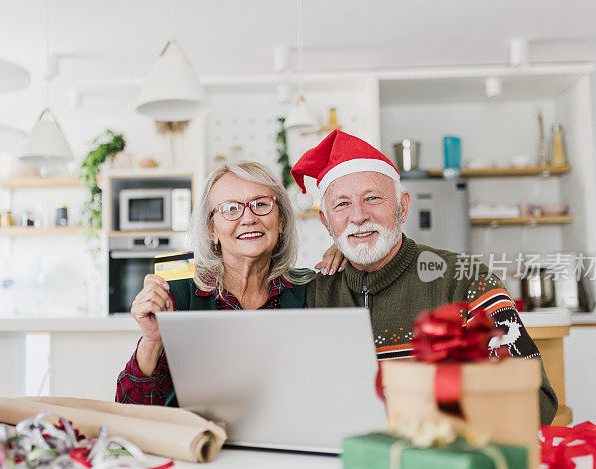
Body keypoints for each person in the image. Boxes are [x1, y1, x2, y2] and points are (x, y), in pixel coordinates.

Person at [293, 130, 559, 425]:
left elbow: (536, 401)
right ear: (326, 222)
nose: (358, 216)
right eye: (342, 204)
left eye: (373, 198)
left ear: (403, 207)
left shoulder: (465, 279)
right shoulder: (315, 294)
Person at [115, 161, 316, 406]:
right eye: (230, 209)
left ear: (281, 220)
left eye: (261, 204)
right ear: (212, 230)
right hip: (200, 442)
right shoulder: (177, 294)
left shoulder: (311, 290)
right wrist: (152, 341)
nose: (249, 218)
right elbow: (133, 412)